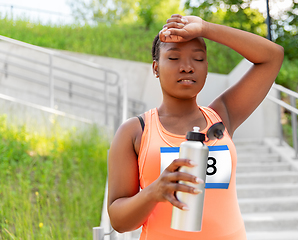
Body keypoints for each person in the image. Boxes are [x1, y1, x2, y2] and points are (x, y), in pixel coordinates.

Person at [107, 14, 284, 240]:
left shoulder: (222, 116)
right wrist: (154, 192)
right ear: (156, 67)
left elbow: (272, 56)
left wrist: (205, 28)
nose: (187, 67)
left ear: (207, 67)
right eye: (173, 58)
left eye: (198, 59)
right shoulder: (135, 131)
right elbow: (119, 222)